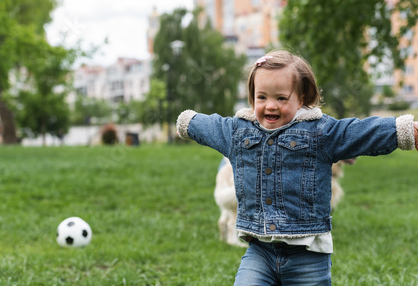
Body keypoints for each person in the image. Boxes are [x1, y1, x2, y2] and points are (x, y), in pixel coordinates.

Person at [176, 49, 418, 285]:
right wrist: (187, 122)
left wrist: (403, 131)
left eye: (281, 98)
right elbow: (212, 126)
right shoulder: (238, 132)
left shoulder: (320, 132)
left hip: (308, 253)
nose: (271, 105)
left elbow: (359, 132)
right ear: (252, 98)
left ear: (301, 100)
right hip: (260, 251)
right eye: (262, 97)